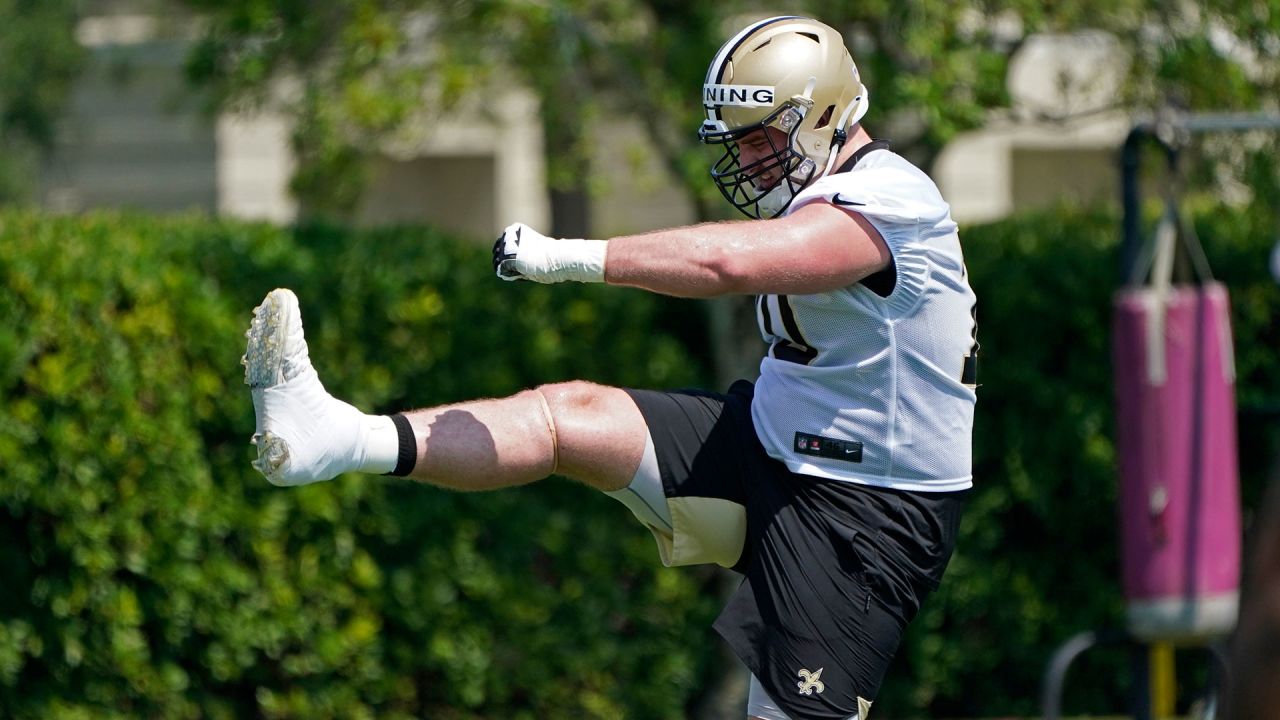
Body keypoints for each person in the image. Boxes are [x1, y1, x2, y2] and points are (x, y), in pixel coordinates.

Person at [242, 16, 977, 720]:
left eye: (762, 139)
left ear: (826, 115)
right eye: (739, 143)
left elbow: (728, 260)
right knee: (571, 416)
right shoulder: (821, 191)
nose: (749, 160)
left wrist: (572, 257)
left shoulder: (891, 197)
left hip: (865, 507)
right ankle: (337, 438)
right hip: (771, 441)